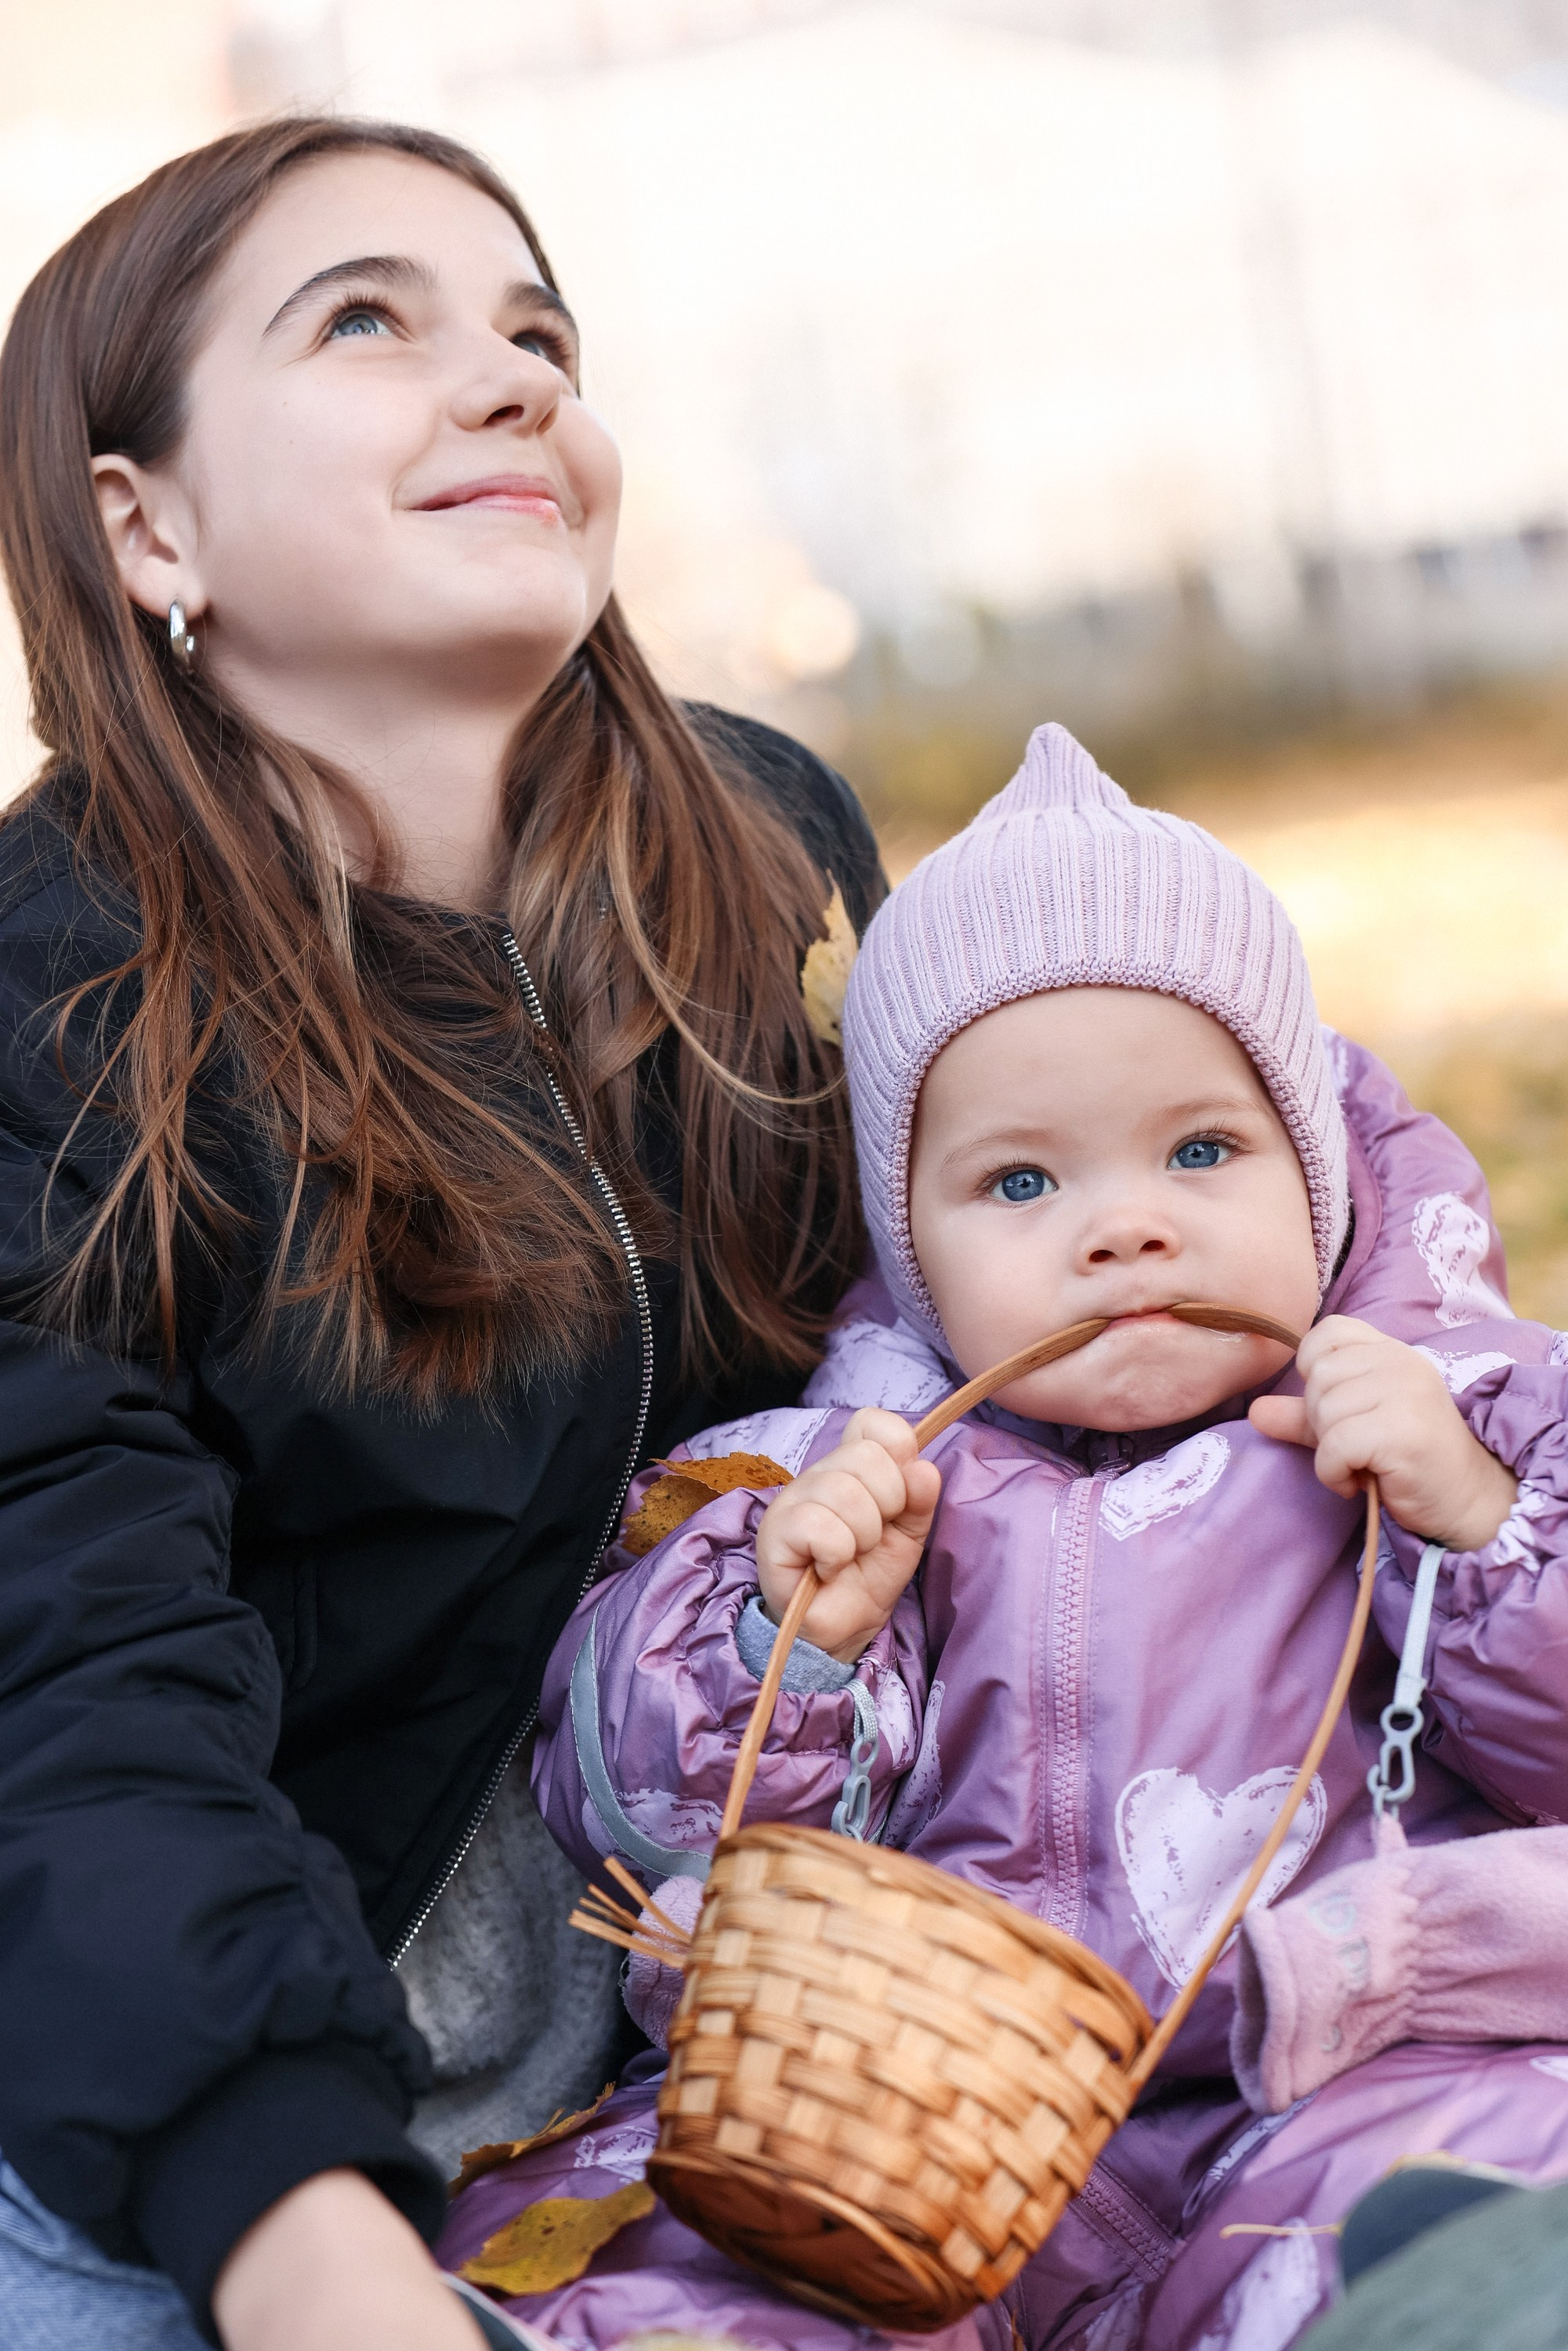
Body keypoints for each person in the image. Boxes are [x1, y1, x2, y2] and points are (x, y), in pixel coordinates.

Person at [0, 115, 885, 2351]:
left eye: (535, 334)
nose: (510, 385)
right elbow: (62, 1686)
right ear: (146, 524)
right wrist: (307, 2251)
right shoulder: (43, 1008)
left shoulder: (759, 871)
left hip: (741, 2098)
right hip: (155, 2134)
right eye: (366, 323)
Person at [447, 726, 1568, 2350]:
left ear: (1311, 1176)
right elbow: (643, 1822)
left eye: (1200, 1151)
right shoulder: (868, 1478)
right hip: (913, 2129)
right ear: (910, 1243)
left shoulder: (1461, 1419)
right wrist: (784, 1643)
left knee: (1456, 2194)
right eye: (1022, 1181)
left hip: (1337, 2079)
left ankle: (1433, 2300)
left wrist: (1470, 1525)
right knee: (686, 2240)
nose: (1124, 1225)